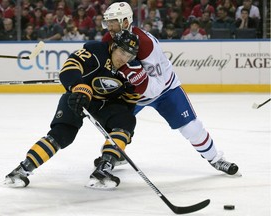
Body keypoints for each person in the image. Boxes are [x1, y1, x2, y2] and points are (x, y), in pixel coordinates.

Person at [91, 2, 239, 189]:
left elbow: (155, 86)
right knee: (116, 126)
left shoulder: (146, 44)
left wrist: (135, 76)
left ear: (126, 21)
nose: (109, 27)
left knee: (192, 128)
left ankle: (216, 158)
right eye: (108, 23)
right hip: (133, 94)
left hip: (165, 90)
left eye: (113, 22)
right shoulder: (108, 40)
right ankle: (114, 156)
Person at [4, 30, 141, 188]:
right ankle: (22, 170)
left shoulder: (131, 72)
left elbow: (130, 101)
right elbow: (70, 66)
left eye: (129, 55)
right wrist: (79, 87)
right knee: (62, 135)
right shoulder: (97, 52)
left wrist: (125, 132)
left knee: (126, 121)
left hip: (105, 104)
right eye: (122, 52)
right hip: (78, 97)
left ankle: (103, 169)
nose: (124, 58)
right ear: (114, 46)